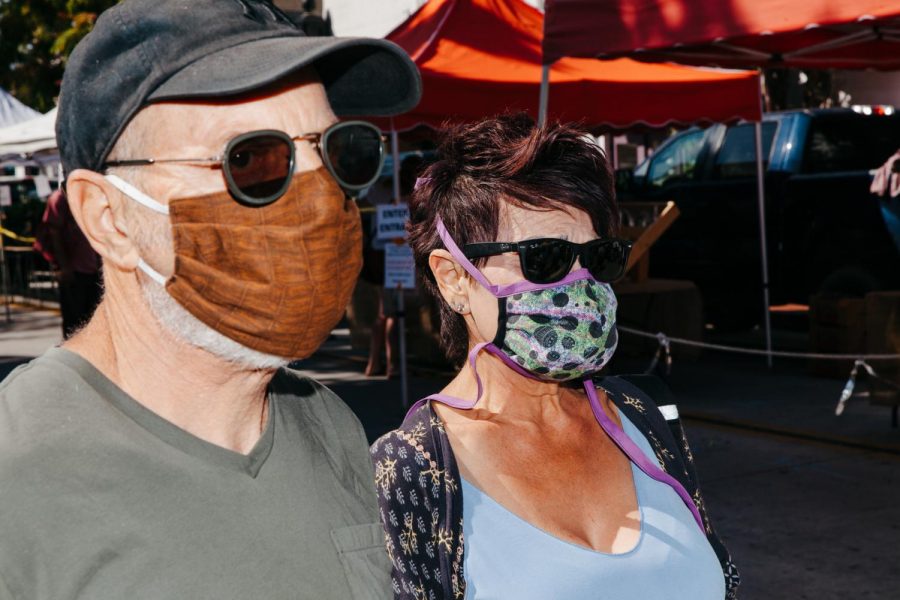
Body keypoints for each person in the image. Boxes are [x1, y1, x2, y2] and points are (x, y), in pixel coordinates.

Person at [0, 0, 420, 598]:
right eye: (248, 159)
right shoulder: (15, 472)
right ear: (108, 217)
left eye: (336, 151)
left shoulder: (332, 426)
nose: (319, 196)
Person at [371, 115, 740, 599]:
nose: (580, 285)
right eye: (545, 258)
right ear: (453, 278)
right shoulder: (409, 472)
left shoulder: (642, 416)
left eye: (599, 257)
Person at [36, 188, 102, 337]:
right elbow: (54, 233)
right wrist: (64, 267)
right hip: (74, 270)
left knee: (94, 320)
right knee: (74, 321)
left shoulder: (90, 192)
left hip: (94, 269)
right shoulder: (60, 198)